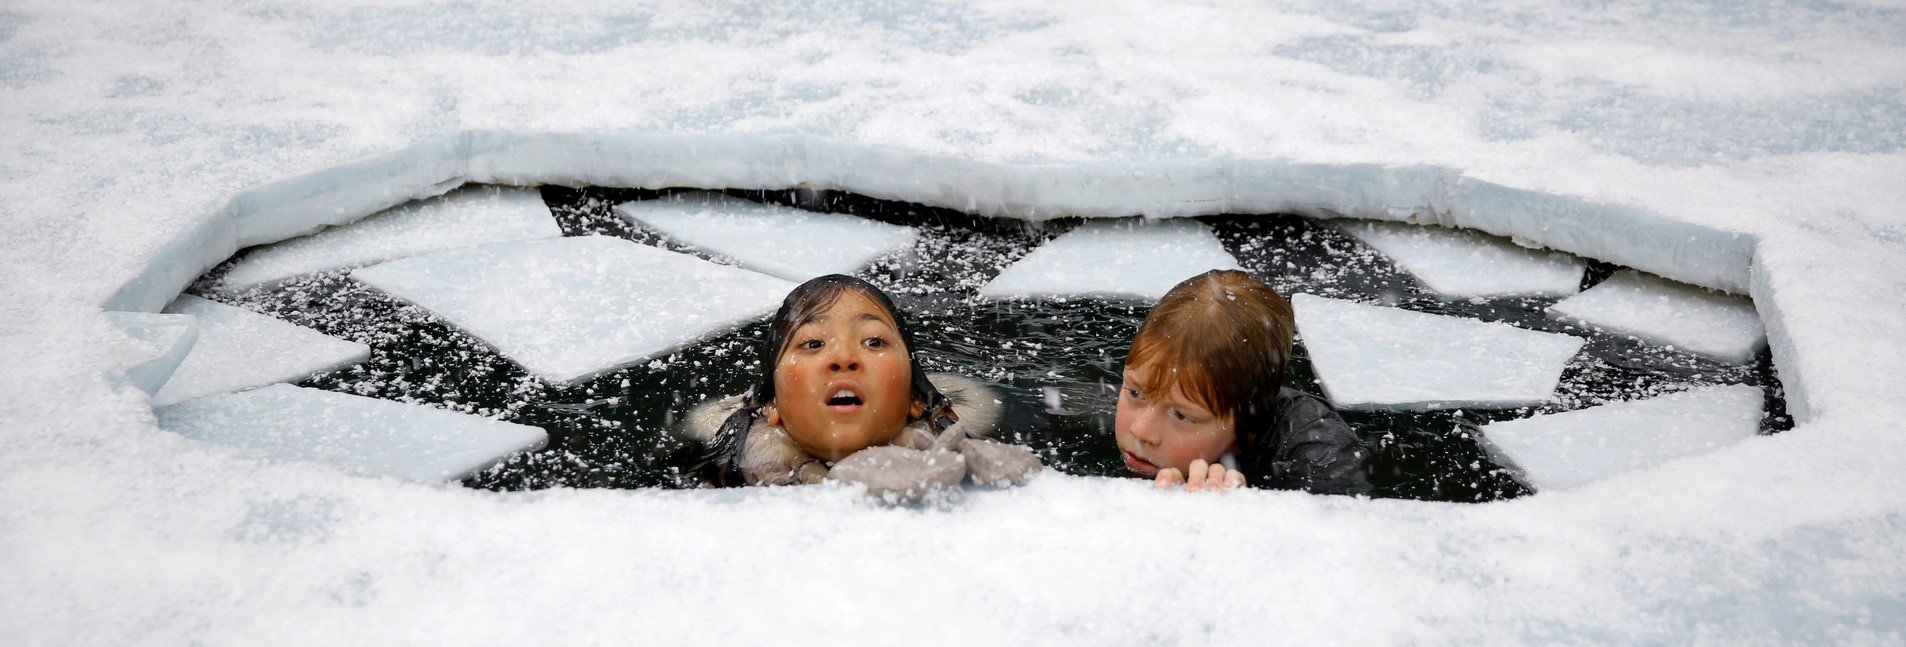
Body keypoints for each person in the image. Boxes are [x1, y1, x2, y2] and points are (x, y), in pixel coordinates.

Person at [684, 274, 1022, 488]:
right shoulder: (717, 485)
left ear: (914, 400)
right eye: (813, 343)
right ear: (773, 405)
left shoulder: (974, 467)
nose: (843, 358)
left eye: (874, 342)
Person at [1114, 269, 1369, 494]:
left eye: (1181, 416)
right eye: (1135, 394)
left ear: (1247, 428)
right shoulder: (1128, 400)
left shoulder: (1318, 456)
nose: (1140, 431)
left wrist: (1238, 517)